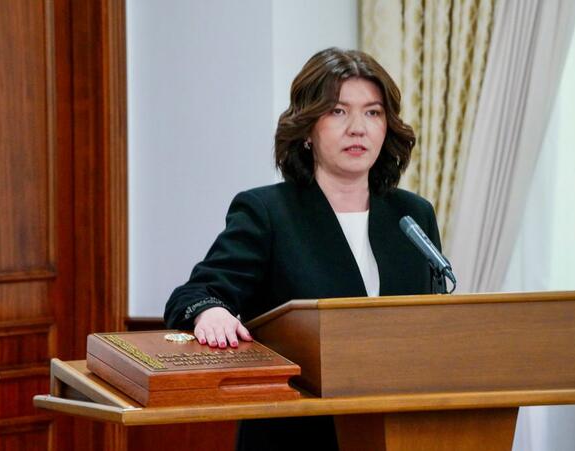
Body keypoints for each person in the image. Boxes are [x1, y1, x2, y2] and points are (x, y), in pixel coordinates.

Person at [164, 47, 445, 451]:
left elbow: (434, 327)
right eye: (337, 111)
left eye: (373, 112)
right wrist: (210, 312)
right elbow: (194, 294)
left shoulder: (412, 215)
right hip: (296, 434)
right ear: (307, 129)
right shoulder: (268, 212)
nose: (358, 128)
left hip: (401, 432)